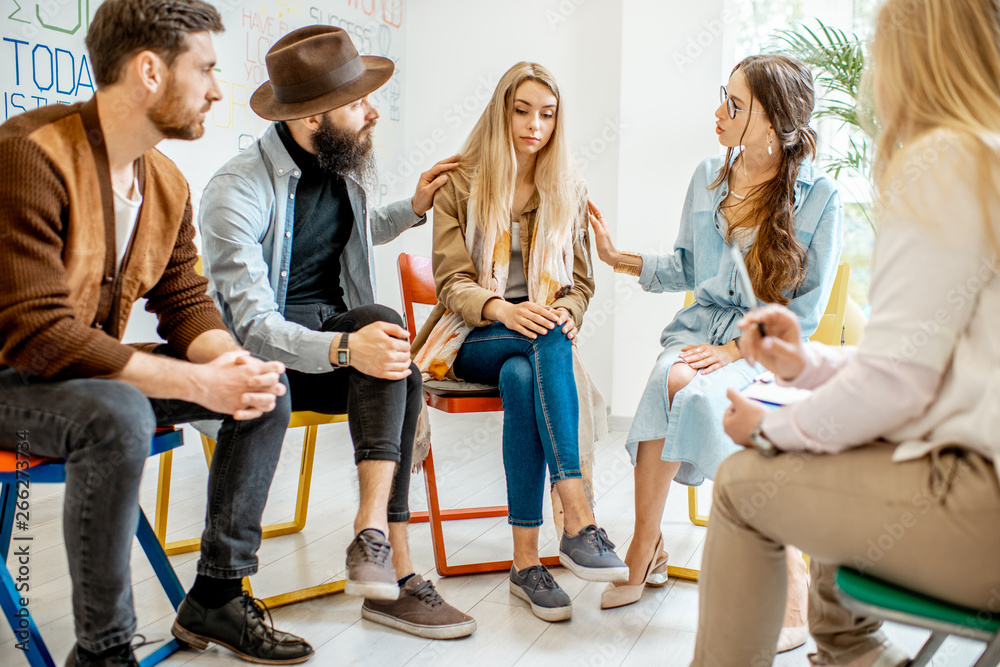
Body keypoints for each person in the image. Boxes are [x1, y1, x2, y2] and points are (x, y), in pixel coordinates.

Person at [0, 0, 314, 665]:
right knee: (115, 413)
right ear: (149, 70)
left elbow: (186, 303)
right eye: (203, 69)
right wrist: (195, 379)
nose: (216, 90)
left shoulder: (166, 182)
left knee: (265, 389)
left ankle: (218, 595)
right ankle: (105, 649)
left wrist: (231, 366)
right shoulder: (28, 155)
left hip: (79, 375)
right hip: (14, 378)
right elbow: (39, 335)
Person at [691, 0, 1000, 664]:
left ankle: (847, 645)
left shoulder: (946, 158)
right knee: (832, 464)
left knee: (743, 484)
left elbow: (897, 384)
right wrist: (807, 364)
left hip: (982, 511)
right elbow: (937, 362)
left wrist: (767, 429)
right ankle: (853, 649)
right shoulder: (987, 153)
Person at [198, 25, 475, 639]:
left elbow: (349, 231)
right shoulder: (235, 191)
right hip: (267, 361)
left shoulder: (339, 164)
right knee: (382, 343)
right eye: (357, 103)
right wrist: (348, 347)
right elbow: (254, 328)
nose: (373, 112)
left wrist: (415, 206)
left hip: (329, 345)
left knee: (389, 342)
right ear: (315, 117)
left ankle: (371, 538)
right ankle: (395, 577)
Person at [589, 54, 843, 648]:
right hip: (697, 331)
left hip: (767, 351)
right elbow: (683, 265)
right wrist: (615, 256)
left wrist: (734, 352)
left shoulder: (820, 196)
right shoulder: (709, 174)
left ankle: (783, 571)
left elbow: (802, 317)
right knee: (669, 379)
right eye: (721, 98)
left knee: (691, 391)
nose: (718, 113)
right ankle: (645, 547)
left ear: (772, 115)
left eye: (734, 104)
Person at [411, 61, 627, 623]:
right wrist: (503, 308)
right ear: (502, 110)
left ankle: (526, 564)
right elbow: (453, 282)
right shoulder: (458, 183)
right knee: (543, 338)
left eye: (548, 114)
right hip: (470, 336)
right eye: (523, 109)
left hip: (532, 347)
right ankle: (576, 516)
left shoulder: (568, 188)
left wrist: (569, 311)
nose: (535, 124)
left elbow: (580, 282)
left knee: (525, 372)